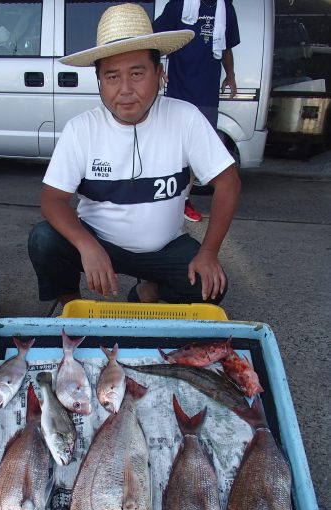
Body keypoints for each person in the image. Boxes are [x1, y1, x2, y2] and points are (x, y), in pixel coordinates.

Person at [28, 3, 240, 307]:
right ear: (99, 81)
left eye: (137, 73)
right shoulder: (81, 129)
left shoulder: (185, 117)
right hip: (98, 242)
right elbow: (51, 200)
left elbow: (229, 182)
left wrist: (208, 253)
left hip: (164, 249)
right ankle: (74, 311)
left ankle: (147, 291)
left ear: (159, 73)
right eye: (112, 77)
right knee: (44, 240)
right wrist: (86, 245)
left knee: (210, 286)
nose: (125, 89)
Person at [153, 0, 240, 222]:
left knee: (194, 153)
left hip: (207, 94)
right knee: (172, 148)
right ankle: (166, 199)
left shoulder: (225, 8)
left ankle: (182, 200)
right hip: (178, 90)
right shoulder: (178, 5)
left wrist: (230, 75)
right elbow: (155, 39)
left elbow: (226, 47)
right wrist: (156, 67)